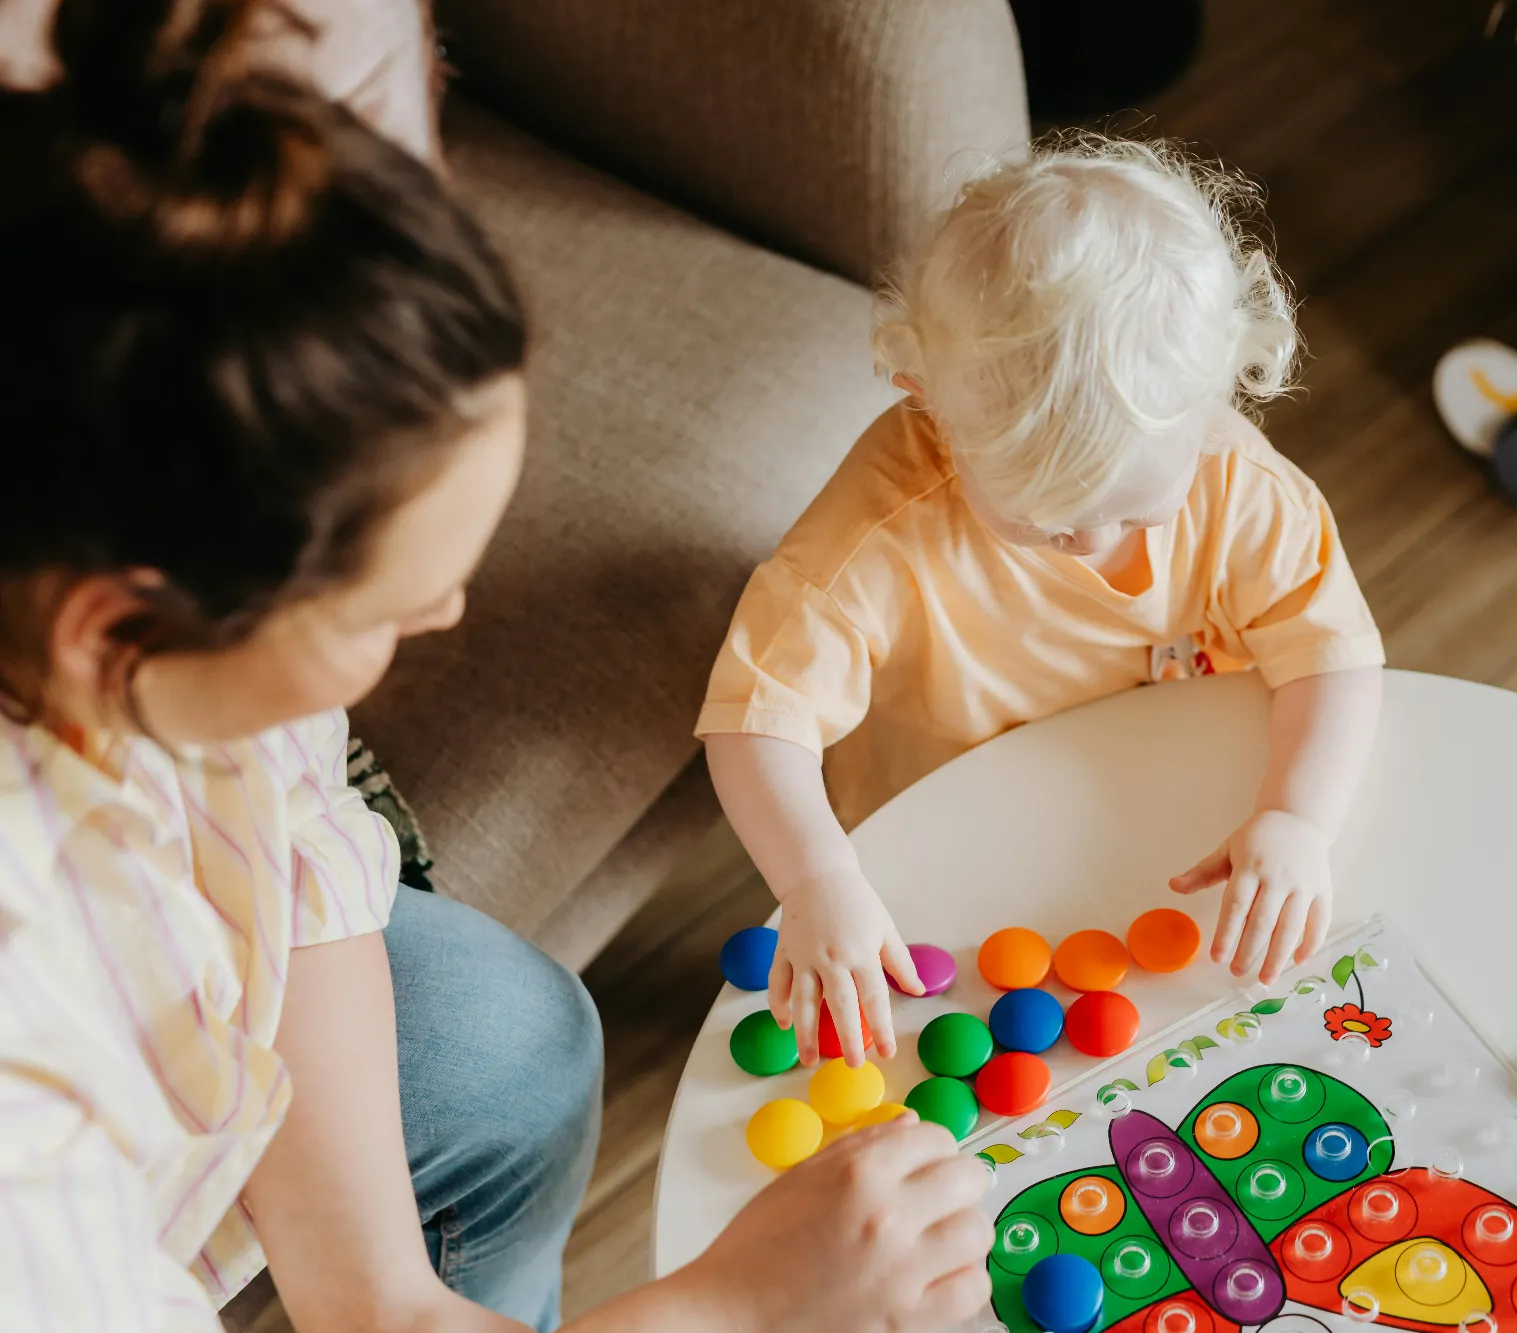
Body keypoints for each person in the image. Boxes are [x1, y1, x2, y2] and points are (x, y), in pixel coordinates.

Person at [0, 2, 992, 1331]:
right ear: (113, 633)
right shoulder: (27, 1074)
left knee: (510, 1047)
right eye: (384, 607)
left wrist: (389, 1302)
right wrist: (734, 1311)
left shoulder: (120, 529)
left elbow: (288, 825)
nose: (453, 611)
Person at [700, 137, 1386, 1068]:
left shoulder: (1239, 485)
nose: (1096, 541)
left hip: (1171, 804)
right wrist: (819, 880)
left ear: (1215, 399)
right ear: (929, 404)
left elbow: (1332, 656)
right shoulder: (881, 530)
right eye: (1044, 524)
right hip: (946, 814)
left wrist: (1298, 815)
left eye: (1138, 509)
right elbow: (754, 721)